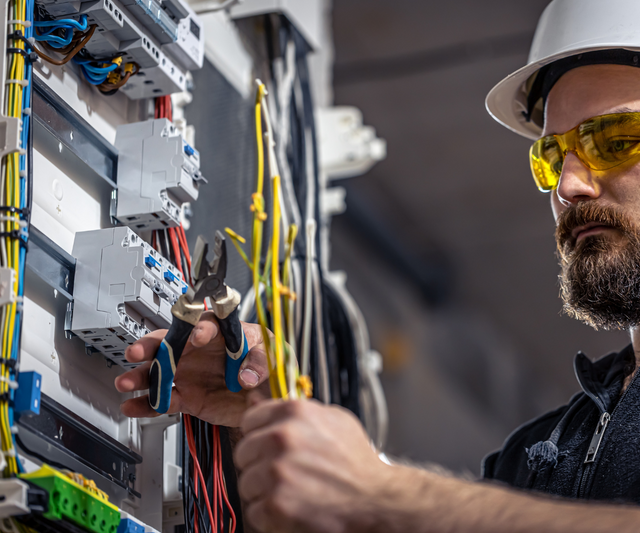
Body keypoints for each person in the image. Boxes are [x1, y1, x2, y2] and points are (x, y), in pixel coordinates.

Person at [114, 0, 640, 531]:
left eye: (615, 141)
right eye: (552, 157)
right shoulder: (539, 454)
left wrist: (386, 493)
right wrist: (267, 425)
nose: (570, 186)